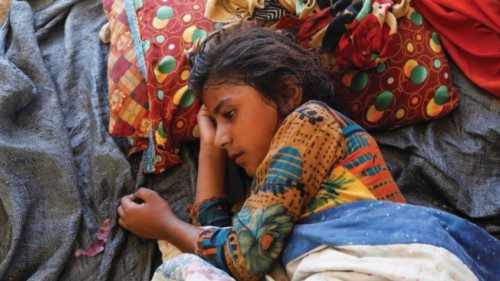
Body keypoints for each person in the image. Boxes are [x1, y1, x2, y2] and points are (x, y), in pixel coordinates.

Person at [117, 25, 408, 280]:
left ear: (287, 93)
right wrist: (208, 147)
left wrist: (166, 226)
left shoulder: (312, 122)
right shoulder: (272, 197)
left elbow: (245, 256)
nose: (221, 138)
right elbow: (222, 255)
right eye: (215, 123)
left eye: (229, 113)